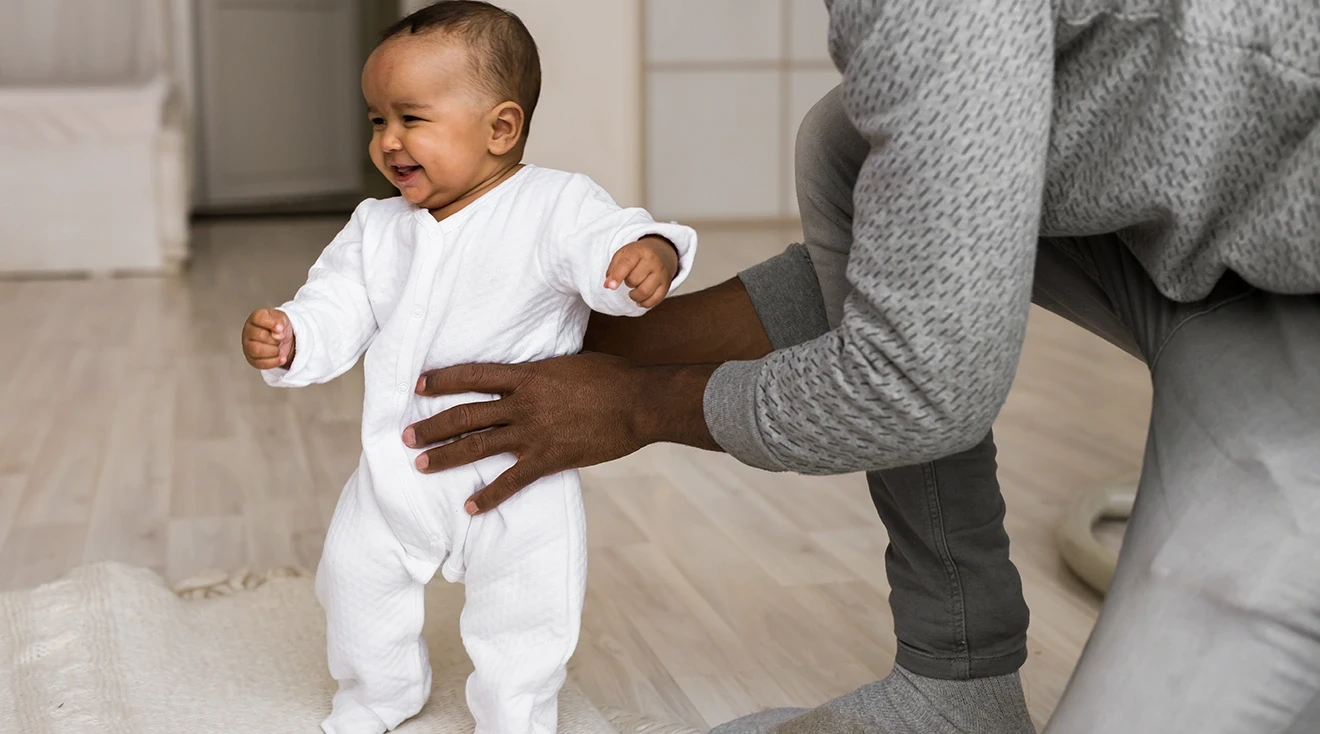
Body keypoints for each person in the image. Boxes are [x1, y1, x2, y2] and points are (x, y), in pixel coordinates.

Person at [399, 1, 1320, 732]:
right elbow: (924, 254)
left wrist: (635, 408)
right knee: (845, 145)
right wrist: (565, 340)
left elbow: (920, 385)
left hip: (1289, 311)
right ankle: (956, 690)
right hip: (1244, 258)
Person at [239, 3, 697, 733]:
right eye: (375, 120)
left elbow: (605, 241)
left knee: (528, 607)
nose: (388, 142)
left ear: (501, 128)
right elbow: (338, 302)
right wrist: (296, 335)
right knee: (354, 581)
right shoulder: (376, 228)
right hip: (399, 464)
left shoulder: (552, 204)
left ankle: (516, 714)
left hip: (519, 466)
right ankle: (377, 694)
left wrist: (645, 254)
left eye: (410, 119)